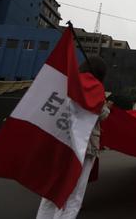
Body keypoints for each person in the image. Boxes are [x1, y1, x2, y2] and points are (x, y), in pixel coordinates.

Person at [37, 56, 111, 219]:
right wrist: (106, 104)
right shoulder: (96, 88)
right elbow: (102, 113)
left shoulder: (68, 82)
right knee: (75, 194)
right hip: (85, 145)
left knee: (53, 190)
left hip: (62, 141)